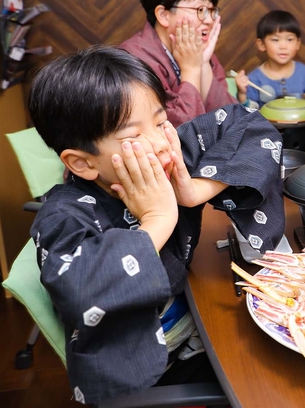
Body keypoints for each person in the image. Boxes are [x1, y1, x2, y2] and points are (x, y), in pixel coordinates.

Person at [27, 46, 284, 404]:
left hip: (193, 326)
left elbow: (252, 126)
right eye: (133, 137)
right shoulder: (64, 215)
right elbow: (81, 289)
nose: (162, 143)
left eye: (161, 121)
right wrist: (159, 219)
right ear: (83, 164)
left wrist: (196, 190)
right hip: (149, 370)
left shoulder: (168, 152)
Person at [121, 0, 237, 128]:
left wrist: (203, 64)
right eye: (200, 9)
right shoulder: (135, 59)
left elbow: (231, 119)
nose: (210, 20)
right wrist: (191, 70)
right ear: (164, 15)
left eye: (212, 11)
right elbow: (183, 133)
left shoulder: (200, 52)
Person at [236, 10, 305, 108]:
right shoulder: (254, 79)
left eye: (289, 40)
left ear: (298, 44)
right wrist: (242, 93)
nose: (283, 46)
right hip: (268, 131)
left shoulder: (303, 72)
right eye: (275, 40)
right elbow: (249, 112)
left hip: (301, 128)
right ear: (261, 44)